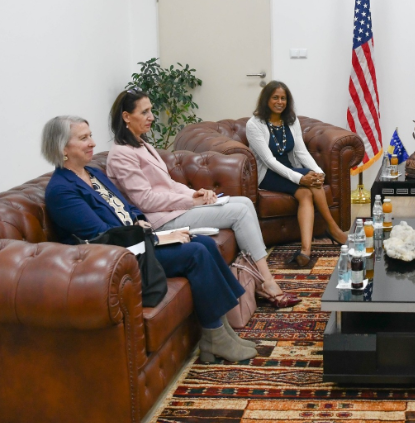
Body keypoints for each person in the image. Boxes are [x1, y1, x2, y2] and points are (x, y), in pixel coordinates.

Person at [42, 116, 258, 363]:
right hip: (120, 258)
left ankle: (221, 330)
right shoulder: (61, 190)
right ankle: (215, 335)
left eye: (90, 135)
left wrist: (139, 220)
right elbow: (104, 237)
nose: (92, 142)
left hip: (137, 242)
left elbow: (128, 207)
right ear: (62, 148)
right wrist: (157, 239)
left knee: (205, 243)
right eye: (83, 138)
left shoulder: (92, 173)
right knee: (196, 253)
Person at [106, 89, 299, 308]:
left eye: (150, 110)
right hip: (161, 220)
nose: (151, 116)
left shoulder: (142, 144)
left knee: (244, 202)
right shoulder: (121, 154)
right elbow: (145, 200)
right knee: (240, 212)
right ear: (126, 116)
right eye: (144, 112)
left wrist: (195, 193)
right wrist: (191, 202)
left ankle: (260, 277)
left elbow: (168, 184)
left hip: (174, 210)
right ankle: (266, 282)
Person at [246, 81, 348, 268]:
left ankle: (305, 250)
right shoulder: (254, 124)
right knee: (310, 182)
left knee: (307, 192)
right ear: (266, 99)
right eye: (275, 98)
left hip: (289, 168)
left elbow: (301, 152)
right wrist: (300, 178)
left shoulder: (291, 121)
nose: (280, 102)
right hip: (268, 173)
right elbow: (268, 160)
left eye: (283, 98)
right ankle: (333, 228)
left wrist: (318, 172)